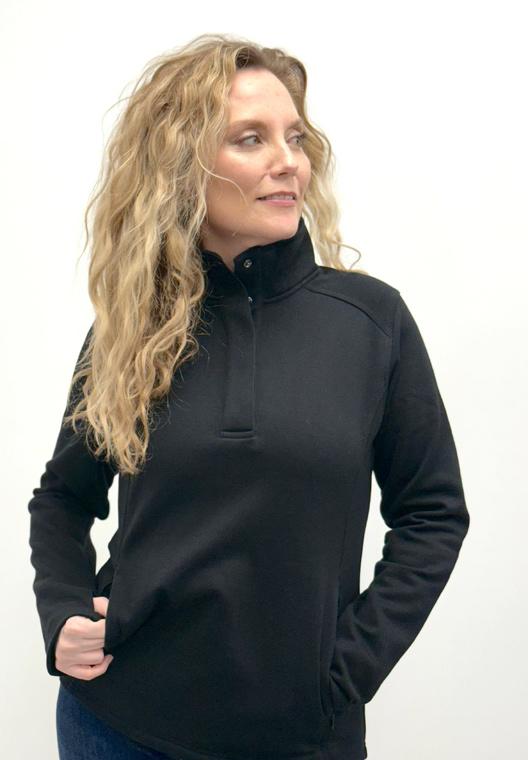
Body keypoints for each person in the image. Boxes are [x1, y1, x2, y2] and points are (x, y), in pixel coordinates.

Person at [27, 32, 470, 760]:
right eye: (250, 138)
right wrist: (63, 611)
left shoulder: (370, 321)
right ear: (182, 166)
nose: (287, 160)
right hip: (118, 725)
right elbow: (63, 497)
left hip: (300, 737)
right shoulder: (134, 329)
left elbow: (434, 513)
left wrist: (344, 673)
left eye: (295, 137)